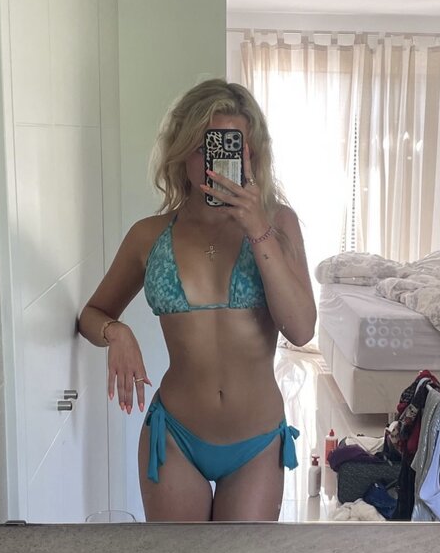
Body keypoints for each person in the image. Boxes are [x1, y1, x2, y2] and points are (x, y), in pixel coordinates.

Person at [78, 79, 316, 521]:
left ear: (251, 155)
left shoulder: (279, 224)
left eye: (230, 149)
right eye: (203, 147)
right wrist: (117, 332)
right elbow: (92, 314)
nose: (214, 163)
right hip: (175, 436)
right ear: (181, 150)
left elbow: (301, 330)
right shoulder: (148, 236)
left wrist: (256, 228)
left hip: (256, 441)